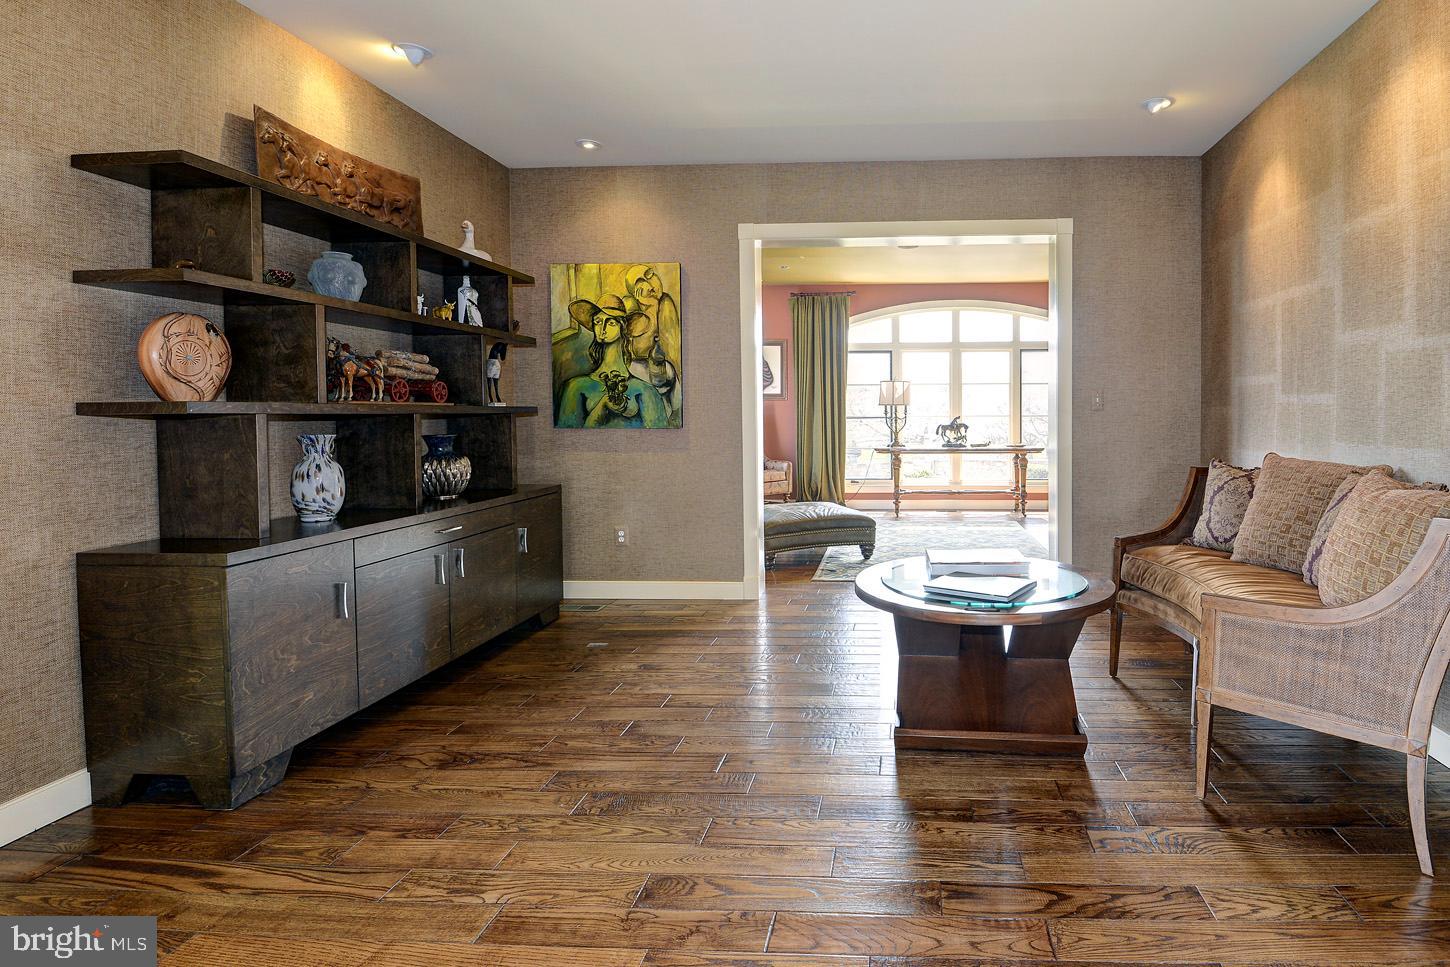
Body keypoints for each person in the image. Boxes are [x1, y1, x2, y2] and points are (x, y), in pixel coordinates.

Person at [555, 296, 670, 428]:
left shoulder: (645, 390)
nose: (602, 329)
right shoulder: (575, 387)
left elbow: (660, 439)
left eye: (611, 323)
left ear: (623, 328)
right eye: (598, 321)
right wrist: (602, 408)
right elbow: (568, 440)